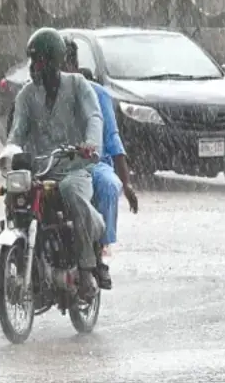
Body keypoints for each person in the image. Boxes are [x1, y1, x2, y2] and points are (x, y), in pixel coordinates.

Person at [7, 27, 105, 300]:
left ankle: (86, 269)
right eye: (32, 62)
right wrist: (7, 152)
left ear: (53, 62)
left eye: (38, 62)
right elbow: (16, 132)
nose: (33, 68)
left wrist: (90, 146)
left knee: (72, 193)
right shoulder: (26, 95)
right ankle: (20, 252)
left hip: (74, 168)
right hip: (38, 170)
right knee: (13, 194)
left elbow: (94, 117)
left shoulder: (78, 86)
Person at [61, 37, 139, 290]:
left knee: (107, 186)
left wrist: (126, 185)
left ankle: (98, 257)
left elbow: (112, 140)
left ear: (72, 65)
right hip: (53, 165)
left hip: (92, 164)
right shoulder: (38, 93)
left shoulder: (96, 94)